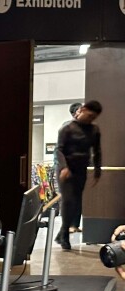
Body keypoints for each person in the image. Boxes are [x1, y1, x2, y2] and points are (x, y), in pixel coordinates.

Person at [55, 100, 103, 250]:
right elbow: (59, 150)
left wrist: (97, 170)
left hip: (81, 170)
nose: (90, 119)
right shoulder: (67, 129)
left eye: (93, 117)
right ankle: (64, 235)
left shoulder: (94, 130)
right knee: (68, 201)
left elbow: (97, 151)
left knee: (76, 202)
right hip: (65, 170)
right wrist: (64, 168)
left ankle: (62, 232)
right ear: (82, 110)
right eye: (89, 115)